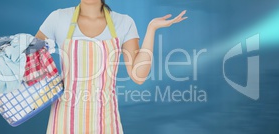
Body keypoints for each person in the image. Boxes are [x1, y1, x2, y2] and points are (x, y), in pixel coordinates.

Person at [36, 0, 186, 133]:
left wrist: (152, 29)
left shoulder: (124, 23)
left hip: (105, 122)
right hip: (65, 121)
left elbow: (138, 76)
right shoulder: (58, 18)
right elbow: (31, 60)